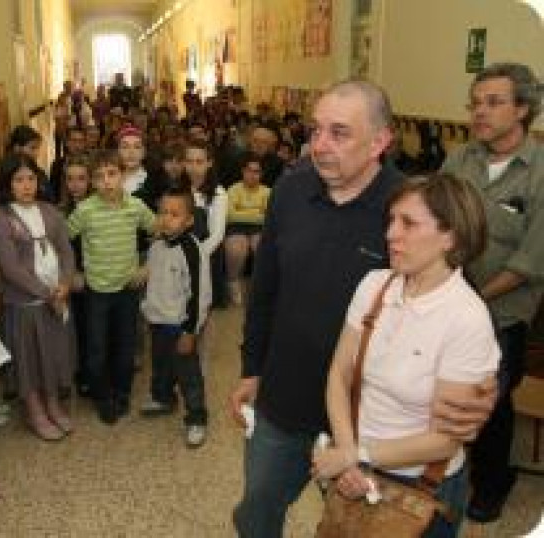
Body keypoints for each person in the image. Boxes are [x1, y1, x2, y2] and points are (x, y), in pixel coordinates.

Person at [228, 80, 494, 538]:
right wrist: (252, 368)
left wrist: (484, 389)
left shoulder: (407, 209)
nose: (320, 145)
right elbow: (265, 290)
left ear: (380, 141)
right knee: (255, 513)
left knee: (355, 524)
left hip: (368, 420)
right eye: (316, 131)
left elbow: (459, 306)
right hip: (285, 401)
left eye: (339, 133)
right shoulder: (290, 191)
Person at [314, 174, 501, 538]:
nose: (390, 234)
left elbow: (446, 440)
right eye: (391, 220)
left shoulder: (467, 319)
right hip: (357, 466)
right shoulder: (374, 285)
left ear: (451, 236)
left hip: (421, 490)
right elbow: (339, 374)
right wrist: (348, 453)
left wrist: (356, 455)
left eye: (409, 223)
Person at [440, 62, 544, 522]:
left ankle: (494, 481)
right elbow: (437, 215)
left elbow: (529, 261)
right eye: (475, 102)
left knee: (488, 401)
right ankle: (444, 470)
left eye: (493, 102)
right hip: (447, 300)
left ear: (523, 109)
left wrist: (471, 301)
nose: (479, 112)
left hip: (501, 311)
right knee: (440, 390)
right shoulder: (460, 159)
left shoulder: (539, 174)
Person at [67, 149, 156, 424]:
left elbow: (160, 232)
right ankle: (102, 397)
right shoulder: (84, 210)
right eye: (99, 177)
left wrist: (147, 266)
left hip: (127, 291)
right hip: (97, 293)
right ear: (92, 183)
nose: (106, 181)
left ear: (122, 176)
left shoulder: (135, 206)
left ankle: (121, 392)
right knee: (96, 349)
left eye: (112, 174)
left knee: (125, 347)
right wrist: (72, 272)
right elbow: (61, 242)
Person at [0, 154, 76, 440]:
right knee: (28, 358)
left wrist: (64, 283)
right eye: (18, 180)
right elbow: (11, 268)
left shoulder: (50, 212)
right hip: (26, 303)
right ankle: (34, 408)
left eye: (31, 179)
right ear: (7, 184)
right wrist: (46, 293)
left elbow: (66, 251)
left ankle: (52, 401)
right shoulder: (1, 219)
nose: (26, 186)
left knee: (51, 354)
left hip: (56, 297)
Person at [139, 187, 212, 447]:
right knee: (160, 365)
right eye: (162, 213)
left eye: (174, 214)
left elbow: (200, 294)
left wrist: (190, 331)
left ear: (189, 220)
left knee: (188, 373)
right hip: (158, 320)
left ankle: (196, 417)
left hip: (181, 325)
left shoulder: (192, 250)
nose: (166, 219)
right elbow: (155, 273)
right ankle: (163, 398)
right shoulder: (158, 244)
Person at [58, 154, 95, 397]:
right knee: (79, 328)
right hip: (74, 278)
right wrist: (72, 275)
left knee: (96, 329)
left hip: (98, 275)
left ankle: (96, 373)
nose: (75, 184)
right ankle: (82, 373)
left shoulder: (97, 207)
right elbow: (60, 249)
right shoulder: (60, 211)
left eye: (81, 179)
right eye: (70, 179)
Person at [183, 139, 228, 308]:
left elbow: (217, 235)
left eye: (199, 162)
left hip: (206, 253)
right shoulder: (178, 189)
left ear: (209, 163)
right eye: (189, 161)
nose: (193, 167)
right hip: (180, 251)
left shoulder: (218, 193)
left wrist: (195, 256)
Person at [224, 151, 271, 305]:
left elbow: (269, 217)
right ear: (243, 171)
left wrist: (242, 211)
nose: (252, 175)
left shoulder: (267, 191)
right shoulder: (233, 189)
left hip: (259, 229)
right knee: (237, 248)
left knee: (261, 246)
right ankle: (233, 282)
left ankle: (258, 286)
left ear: (261, 174)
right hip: (235, 227)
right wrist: (257, 213)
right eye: (249, 170)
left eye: (256, 171)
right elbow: (231, 216)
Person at [4, 125, 53, 201]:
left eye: (37, 148)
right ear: (17, 148)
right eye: (32, 148)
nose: (37, 153)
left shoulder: (39, 172)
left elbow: (49, 199)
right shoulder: (5, 175)